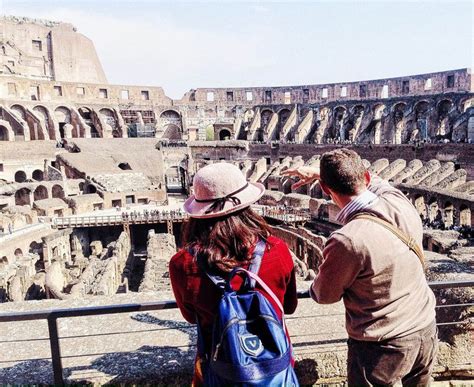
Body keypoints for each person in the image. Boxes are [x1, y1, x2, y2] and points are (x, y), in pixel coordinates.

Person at [282, 148, 437, 387]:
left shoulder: (347, 239)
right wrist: (323, 173)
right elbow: (377, 182)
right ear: (364, 177)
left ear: (324, 189)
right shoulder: (398, 200)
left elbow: (324, 295)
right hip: (425, 328)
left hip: (382, 345)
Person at [169, 162, 298, 386]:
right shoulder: (277, 250)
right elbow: (289, 306)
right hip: (274, 370)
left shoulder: (183, 263)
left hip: (222, 371)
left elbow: (191, 317)